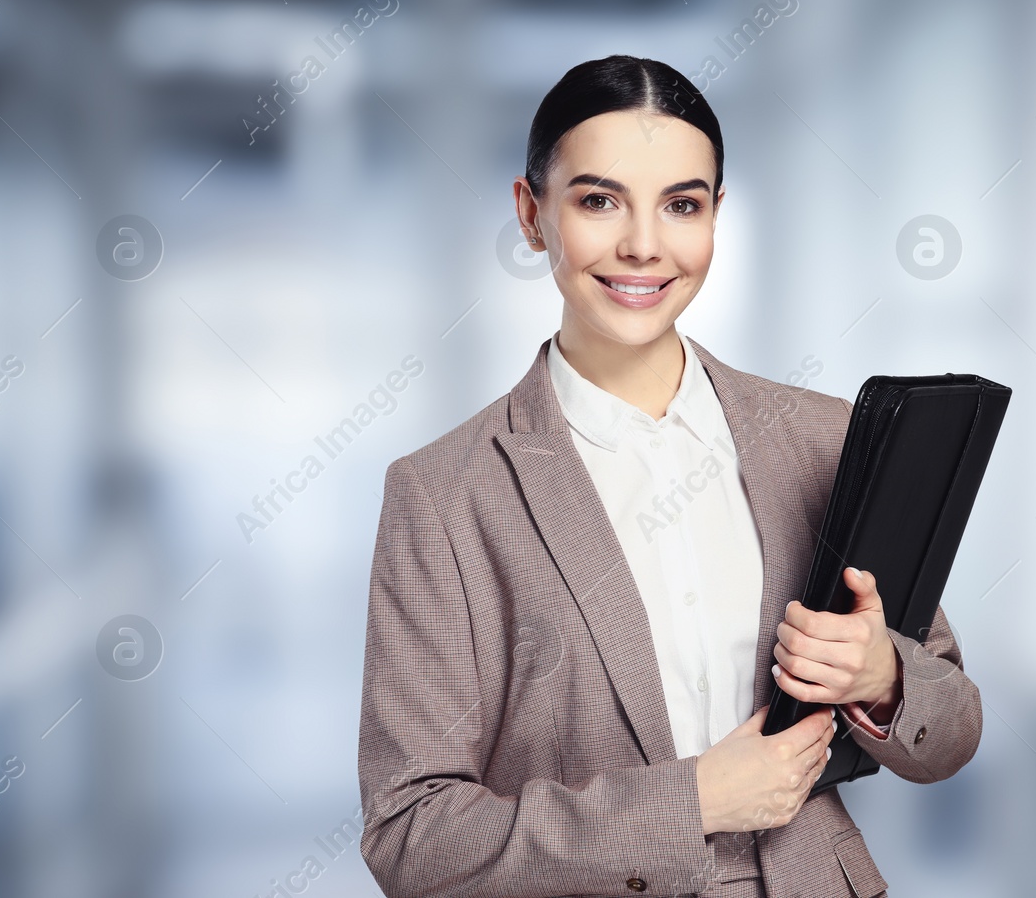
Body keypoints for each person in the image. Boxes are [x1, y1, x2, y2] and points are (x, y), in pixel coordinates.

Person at [357, 55, 982, 898]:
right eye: (598, 200)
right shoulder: (444, 495)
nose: (643, 245)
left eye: (682, 204)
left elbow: (952, 728)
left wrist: (884, 678)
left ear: (718, 216)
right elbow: (413, 837)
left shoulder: (821, 434)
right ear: (531, 212)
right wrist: (690, 803)